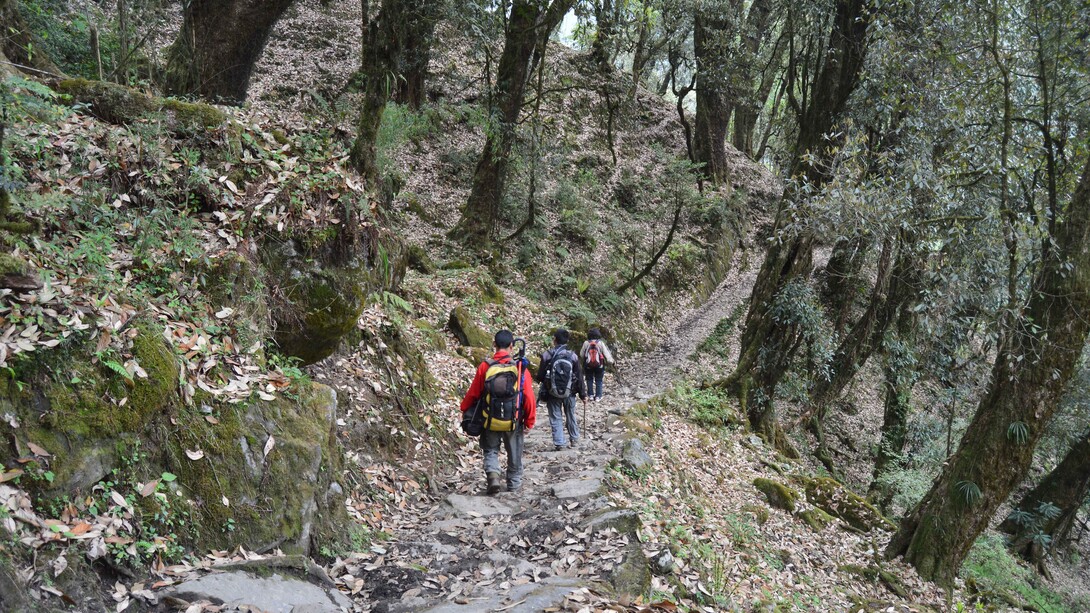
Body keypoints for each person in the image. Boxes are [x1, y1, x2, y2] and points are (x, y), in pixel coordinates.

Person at [459, 330, 536, 495]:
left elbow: (473, 393)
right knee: (514, 452)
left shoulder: (485, 366)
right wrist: (529, 422)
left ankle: (493, 477)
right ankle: (514, 485)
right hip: (514, 420)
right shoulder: (520, 368)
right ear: (511, 346)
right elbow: (529, 398)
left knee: (491, 449)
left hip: (490, 418)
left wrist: (464, 409)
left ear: (494, 345)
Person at [536, 328, 586, 451]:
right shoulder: (573, 356)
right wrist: (583, 395)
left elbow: (540, 376)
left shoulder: (547, 355)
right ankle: (574, 439)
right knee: (570, 414)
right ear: (567, 340)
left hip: (552, 393)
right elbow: (579, 376)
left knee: (555, 416)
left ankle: (560, 443)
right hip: (570, 392)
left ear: (555, 340)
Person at [579, 328, 614, 402]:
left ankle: (590, 395)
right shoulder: (600, 343)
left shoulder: (586, 343)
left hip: (588, 365)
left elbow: (581, 354)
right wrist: (611, 361)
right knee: (599, 380)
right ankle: (598, 396)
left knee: (589, 379)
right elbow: (606, 353)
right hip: (599, 365)